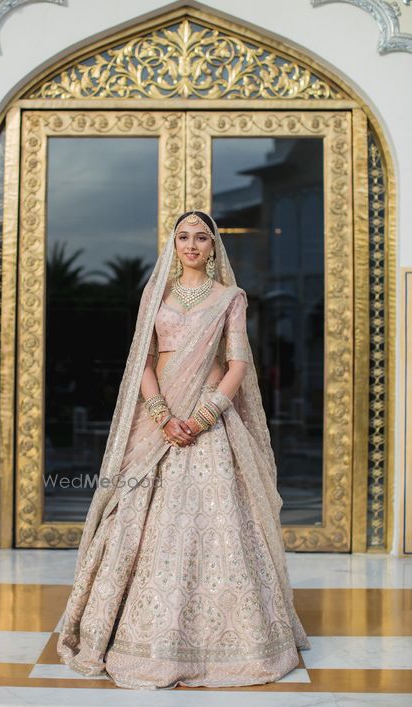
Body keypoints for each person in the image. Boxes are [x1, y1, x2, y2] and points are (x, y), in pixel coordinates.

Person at [57, 210, 311, 689]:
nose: (192, 245)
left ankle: (231, 642)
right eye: (183, 237)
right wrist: (160, 414)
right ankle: (136, 637)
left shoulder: (230, 297)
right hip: (160, 417)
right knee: (139, 514)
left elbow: (236, 364)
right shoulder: (155, 295)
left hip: (209, 419)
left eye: (201, 237)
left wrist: (202, 416)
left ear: (215, 246)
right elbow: (143, 362)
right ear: (173, 245)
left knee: (218, 525)